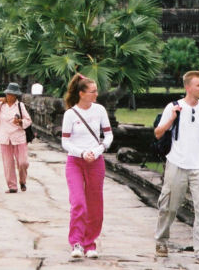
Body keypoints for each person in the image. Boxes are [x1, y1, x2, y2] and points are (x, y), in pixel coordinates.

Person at [154, 70, 199, 264]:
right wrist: (172, 118)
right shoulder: (173, 107)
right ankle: (161, 241)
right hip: (176, 163)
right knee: (169, 206)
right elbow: (158, 133)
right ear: (188, 87)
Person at [61, 74, 113, 260]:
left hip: (95, 161)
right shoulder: (70, 114)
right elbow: (65, 142)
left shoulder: (99, 110)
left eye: (96, 91)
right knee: (78, 203)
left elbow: (108, 135)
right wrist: (82, 153)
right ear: (81, 93)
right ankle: (76, 242)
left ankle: (90, 243)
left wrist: (98, 150)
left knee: (95, 204)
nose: (96, 94)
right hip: (75, 161)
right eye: (92, 91)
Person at [0, 83, 32, 194]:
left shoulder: (20, 106)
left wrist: (20, 121)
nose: (9, 96)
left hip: (19, 137)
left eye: (12, 95)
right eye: (8, 94)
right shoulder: (1, 105)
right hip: (5, 137)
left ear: (16, 96)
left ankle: (22, 180)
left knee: (23, 162)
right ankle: (12, 186)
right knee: (8, 163)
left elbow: (28, 120)